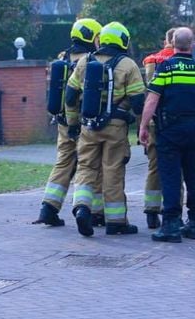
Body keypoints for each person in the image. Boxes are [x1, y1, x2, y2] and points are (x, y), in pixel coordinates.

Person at [65, 21, 146, 236]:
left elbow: (70, 96)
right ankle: (116, 222)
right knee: (113, 171)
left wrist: (73, 124)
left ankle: (82, 208)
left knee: (86, 169)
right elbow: (139, 103)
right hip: (116, 128)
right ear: (123, 40)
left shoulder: (84, 61)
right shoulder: (129, 65)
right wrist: (142, 129)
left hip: (88, 127)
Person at [139, 27, 195, 242]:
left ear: (172, 43)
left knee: (170, 176)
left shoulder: (166, 68)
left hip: (169, 130)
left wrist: (143, 126)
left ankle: (170, 225)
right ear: (192, 45)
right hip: (193, 129)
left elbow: (152, 99)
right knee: (194, 177)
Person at [35, 18, 105, 227]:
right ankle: (95, 212)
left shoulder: (62, 57)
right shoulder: (90, 60)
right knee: (91, 164)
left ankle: (48, 207)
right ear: (91, 37)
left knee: (64, 162)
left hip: (63, 122)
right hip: (85, 121)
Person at [139, 28, 177, 229]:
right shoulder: (185, 61)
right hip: (176, 122)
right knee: (175, 170)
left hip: (154, 121)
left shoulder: (151, 61)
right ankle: (174, 212)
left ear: (166, 40)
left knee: (154, 167)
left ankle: (151, 212)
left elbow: (150, 92)